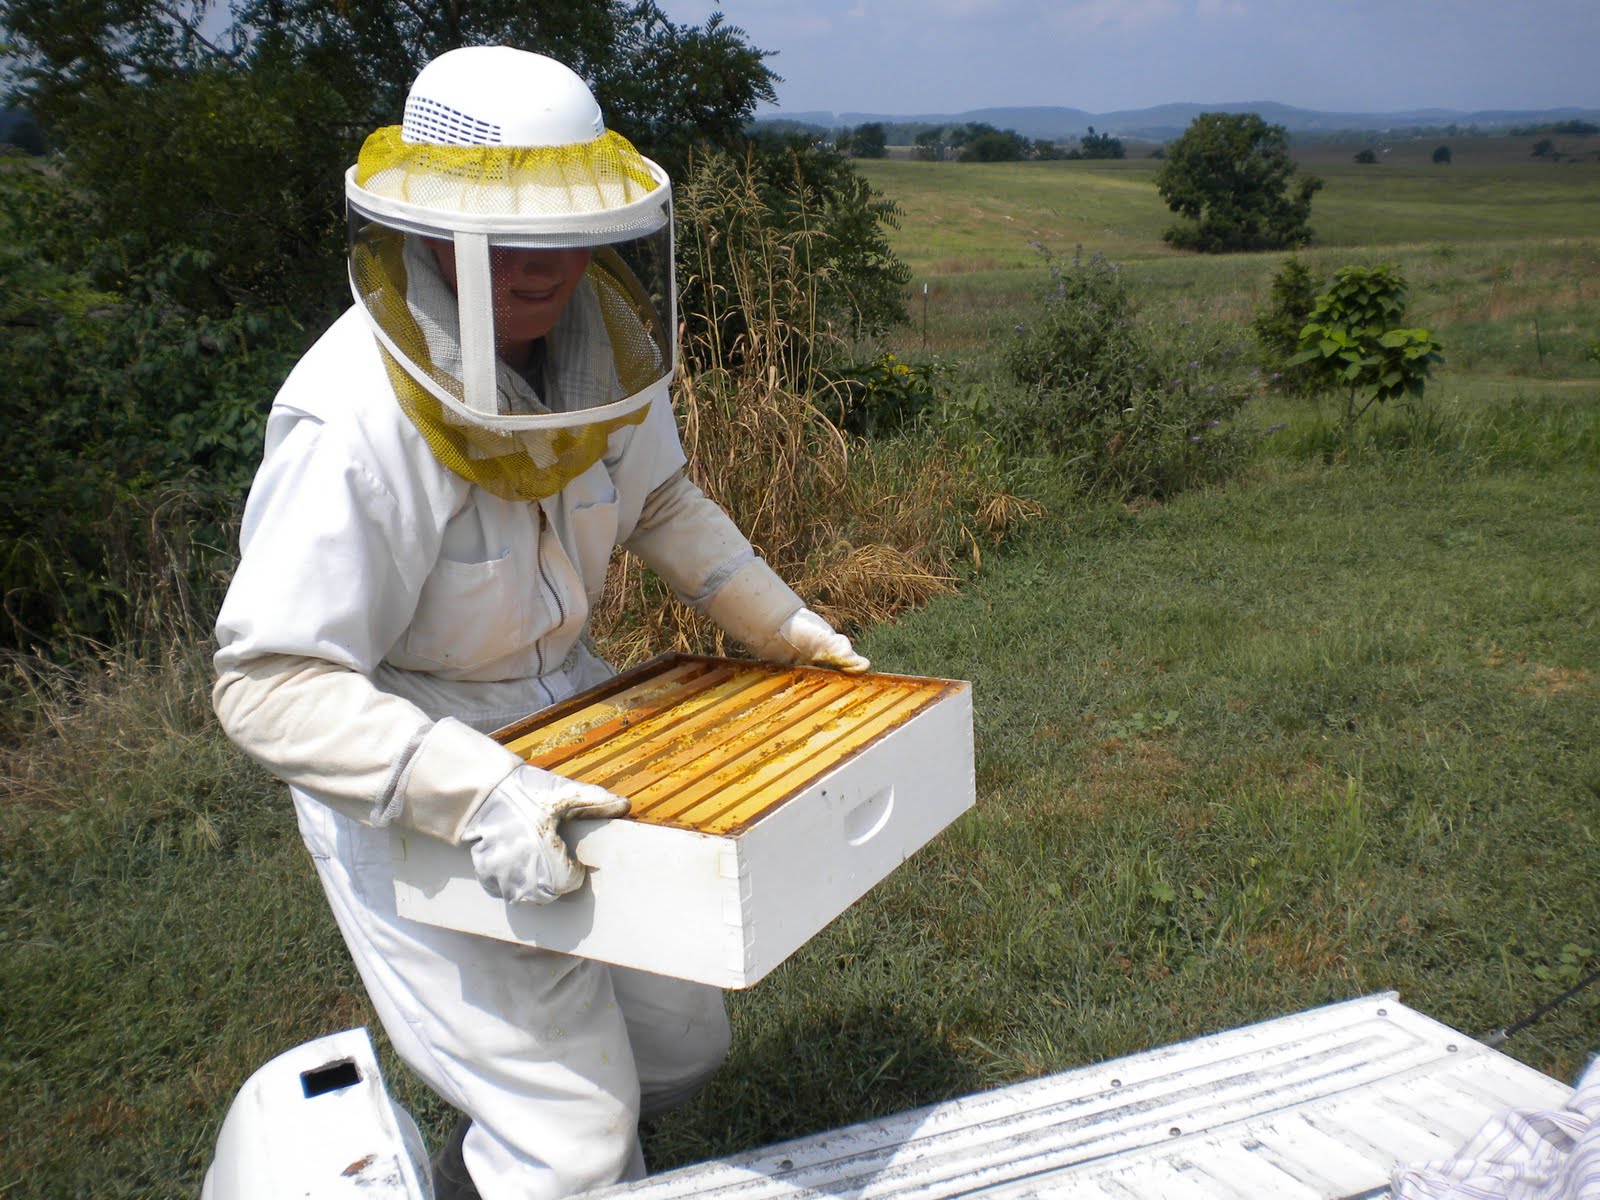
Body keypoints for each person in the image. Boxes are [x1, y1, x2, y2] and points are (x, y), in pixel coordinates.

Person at [211, 45, 868, 1200]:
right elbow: (267, 682)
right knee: (569, 1132)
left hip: (576, 715)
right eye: (500, 235)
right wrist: (474, 790)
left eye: (560, 232)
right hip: (416, 768)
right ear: (422, 229)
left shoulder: (598, 347)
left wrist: (784, 623)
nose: (540, 267)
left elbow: (658, 496)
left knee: (679, 1046)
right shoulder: (350, 416)